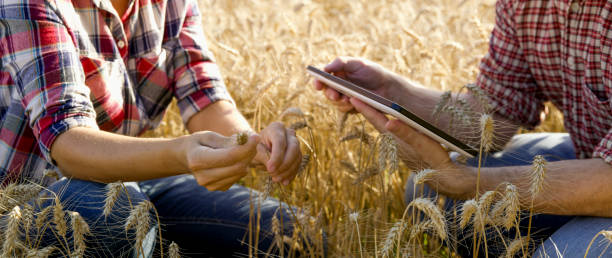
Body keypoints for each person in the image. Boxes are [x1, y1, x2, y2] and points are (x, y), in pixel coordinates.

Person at [0, 0, 308, 256]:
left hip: (129, 180)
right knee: (118, 217)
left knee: (294, 234)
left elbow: (205, 97)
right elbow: (67, 142)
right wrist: (183, 154)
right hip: (21, 202)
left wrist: (256, 144)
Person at [314, 0, 612, 257]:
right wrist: (392, 91)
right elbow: (493, 116)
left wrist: (471, 182)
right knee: (430, 193)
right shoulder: (526, 5)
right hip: (595, 156)